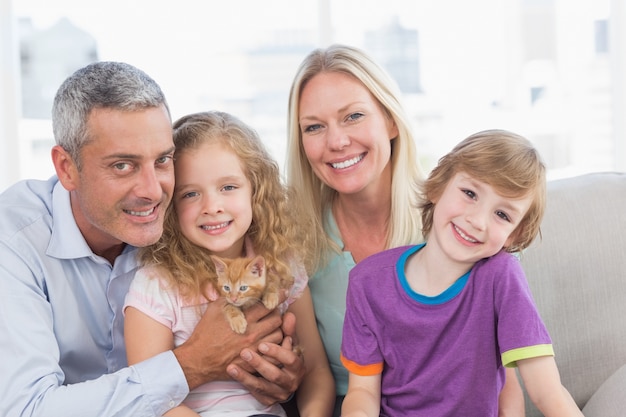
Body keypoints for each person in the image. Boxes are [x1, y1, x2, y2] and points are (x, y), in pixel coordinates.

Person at [0, 61, 303, 417]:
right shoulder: (14, 243)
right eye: (122, 166)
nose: (152, 191)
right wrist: (191, 363)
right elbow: (27, 409)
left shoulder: (186, 235)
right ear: (67, 168)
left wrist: (286, 376)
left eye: (162, 160)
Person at [285, 44, 525, 416]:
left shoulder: (457, 223)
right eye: (314, 127)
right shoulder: (292, 241)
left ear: (391, 120)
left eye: (353, 116)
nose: (335, 142)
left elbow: (502, 378)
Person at [340, 129, 584, 416]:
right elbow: (362, 392)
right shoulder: (366, 283)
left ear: (513, 236)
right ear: (437, 188)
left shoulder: (501, 276)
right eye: (470, 194)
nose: (477, 221)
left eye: (502, 215)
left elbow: (548, 391)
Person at [123, 110, 335, 417]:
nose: (212, 207)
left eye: (228, 187)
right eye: (191, 193)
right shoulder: (156, 283)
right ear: (169, 203)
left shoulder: (282, 267)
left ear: (256, 191)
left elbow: (316, 371)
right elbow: (151, 401)